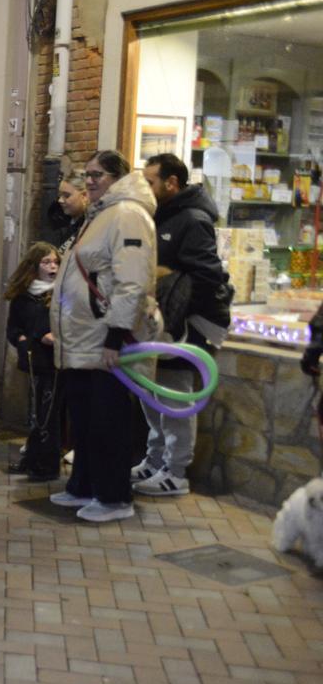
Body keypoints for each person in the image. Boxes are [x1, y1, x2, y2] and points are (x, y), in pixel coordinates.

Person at [50, 150, 159, 523]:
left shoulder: (127, 215)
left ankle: (113, 497)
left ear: (117, 176)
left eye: (98, 174)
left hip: (103, 337)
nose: (91, 180)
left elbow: (132, 280)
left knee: (107, 420)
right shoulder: (101, 214)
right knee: (83, 417)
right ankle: (83, 484)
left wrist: (116, 335)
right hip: (83, 335)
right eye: (89, 174)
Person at [134, 153, 230, 496]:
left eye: (151, 181)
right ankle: (155, 459)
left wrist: (176, 306)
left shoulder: (192, 219)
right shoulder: (161, 215)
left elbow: (208, 275)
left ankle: (175, 473)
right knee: (152, 391)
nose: (146, 187)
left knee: (174, 395)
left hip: (189, 323)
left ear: (172, 183)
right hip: (165, 322)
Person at [4, 242, 62, 481]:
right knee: (37, 412)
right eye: (46, 262)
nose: (52, 266)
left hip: (55, 361)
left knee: (48, 413)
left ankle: (46, 464)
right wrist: (23, 338)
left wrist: (46, 336)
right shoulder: (24, 295)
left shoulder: (62, 294)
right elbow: (14, 327)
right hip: (34, 360)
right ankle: (33, 458)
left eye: (56, 262)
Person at [42, 173, 88, 254]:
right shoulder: (56, 218)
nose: (60, 200)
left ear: (84, 196)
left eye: (66, 196)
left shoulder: (92, 225)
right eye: (60, 195)